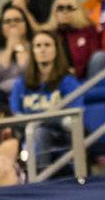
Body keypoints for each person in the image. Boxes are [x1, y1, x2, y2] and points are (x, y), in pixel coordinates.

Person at [10, 30, 80, 171]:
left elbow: (74, 119)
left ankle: (41, 178)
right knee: (36, 133)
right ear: (33, 51)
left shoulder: (68, 82)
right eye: (38, 45)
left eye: (47, 45)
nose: (42, 49)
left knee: (40, 132)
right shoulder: (21, 84)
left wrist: (38, 120)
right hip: (28, 136)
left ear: (56, 50)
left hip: (61, 135)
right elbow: (16, 118)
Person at [0, 6, 32, 99]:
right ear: (1, 27)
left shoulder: (36, 47)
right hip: (1, 98)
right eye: (7, 21)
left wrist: (19, 48)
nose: (12, 24)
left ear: (26, 24)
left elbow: (28, 71)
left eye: (17, 20)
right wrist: (9, 48)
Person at [47, 0, 103, 79]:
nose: (64, 12)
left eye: (69, 8)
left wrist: (76, 70)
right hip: (57, 77)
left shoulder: (89, 30)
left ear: (79, 11)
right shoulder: (48, 33)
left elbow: (93, 57)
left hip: (86, 77)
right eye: (60, 8)